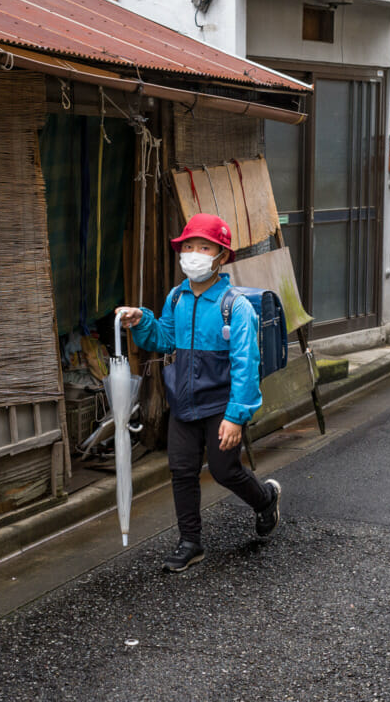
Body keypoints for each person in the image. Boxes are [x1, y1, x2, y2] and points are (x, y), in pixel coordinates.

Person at [117, 212, 281, 572]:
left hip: (221, 405)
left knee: (224, 471)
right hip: (184, 402)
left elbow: (246, 363)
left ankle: (266, 498)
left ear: (220, 255)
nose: (193, 253)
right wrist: (141, 321)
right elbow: (164, 339)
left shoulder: (235, 306)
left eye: (202, 247)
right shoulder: (177, 298)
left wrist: (236, 416)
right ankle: (190, 542)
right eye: (188, 246)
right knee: (182, 470)